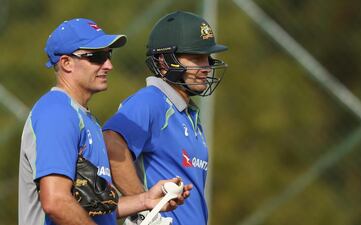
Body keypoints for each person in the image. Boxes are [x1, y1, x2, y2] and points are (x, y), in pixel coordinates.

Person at [18, 18, 190, 225]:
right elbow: (56, 202)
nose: (108, 65)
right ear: (66, 63)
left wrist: (145, 200)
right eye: (97, 56)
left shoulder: (84, 118)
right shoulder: (56, 112)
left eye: (108, 55)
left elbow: (94, 208)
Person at [103, 11, 228, 225]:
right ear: (164, 61)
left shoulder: (188, 112)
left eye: (207, 58)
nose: (206, 67)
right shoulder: (151, 101)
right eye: (196, 57)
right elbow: (111, 142)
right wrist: (145, 211)